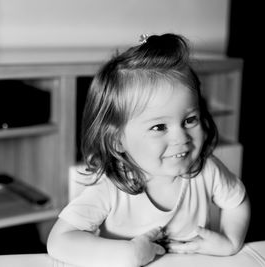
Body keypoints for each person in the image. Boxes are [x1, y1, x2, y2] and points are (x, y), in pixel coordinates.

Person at [47, 33, 250, 267]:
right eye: (159, 127)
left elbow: (237, 200)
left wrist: (231, 241)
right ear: (117, 141)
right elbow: (59, 241)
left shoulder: (206, 169)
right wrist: (128, 254)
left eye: (190, 120)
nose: (181, 137)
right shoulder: (111, 187)